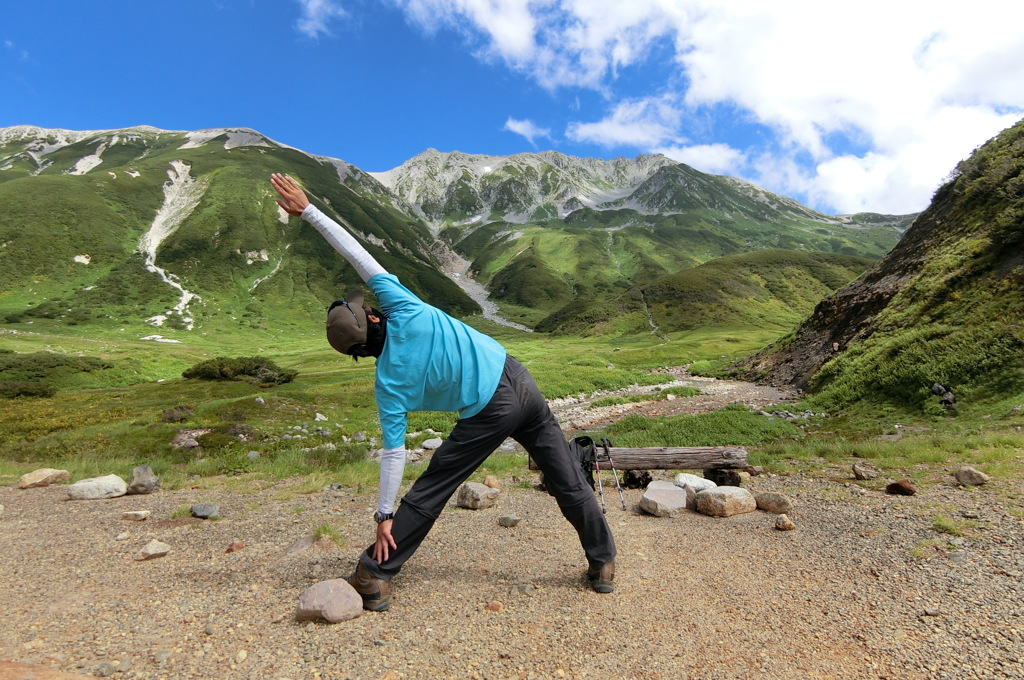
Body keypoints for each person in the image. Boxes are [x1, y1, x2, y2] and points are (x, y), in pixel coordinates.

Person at [270, 173, 616, 611]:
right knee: (567, 475)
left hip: (490, 408)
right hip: (519, 378)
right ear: (373, 319)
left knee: (433, 486)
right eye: (366, 309)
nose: (370, 308)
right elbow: (357, 253)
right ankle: (603, 562)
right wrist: (308, 210)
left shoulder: (388, 385)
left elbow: (394, 455)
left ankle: (375, 574)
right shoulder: (402, 305)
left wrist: (383, 515)